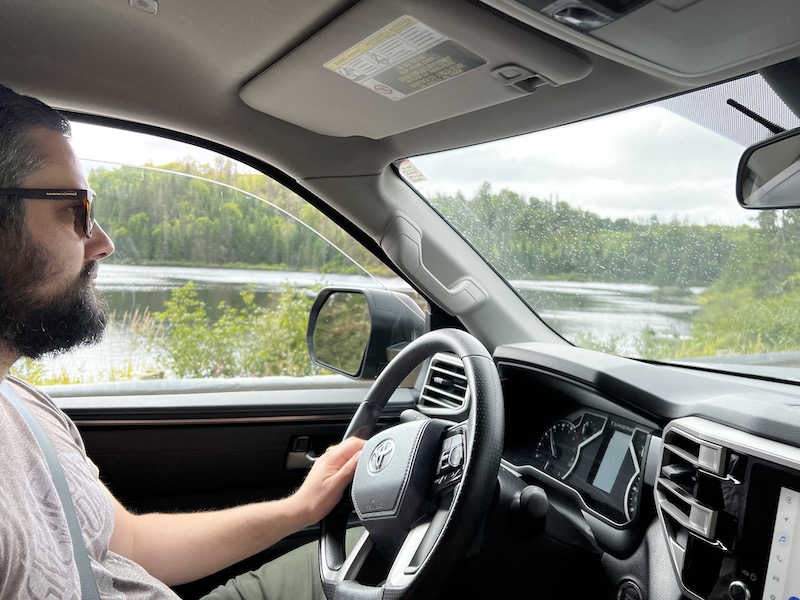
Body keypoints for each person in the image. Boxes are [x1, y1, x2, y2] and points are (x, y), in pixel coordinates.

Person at [0, 84, 366, 599]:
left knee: (372, 552)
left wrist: (298, 509)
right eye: (75, 210)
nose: (103, 242)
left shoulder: (22, 401)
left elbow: (128, 542)